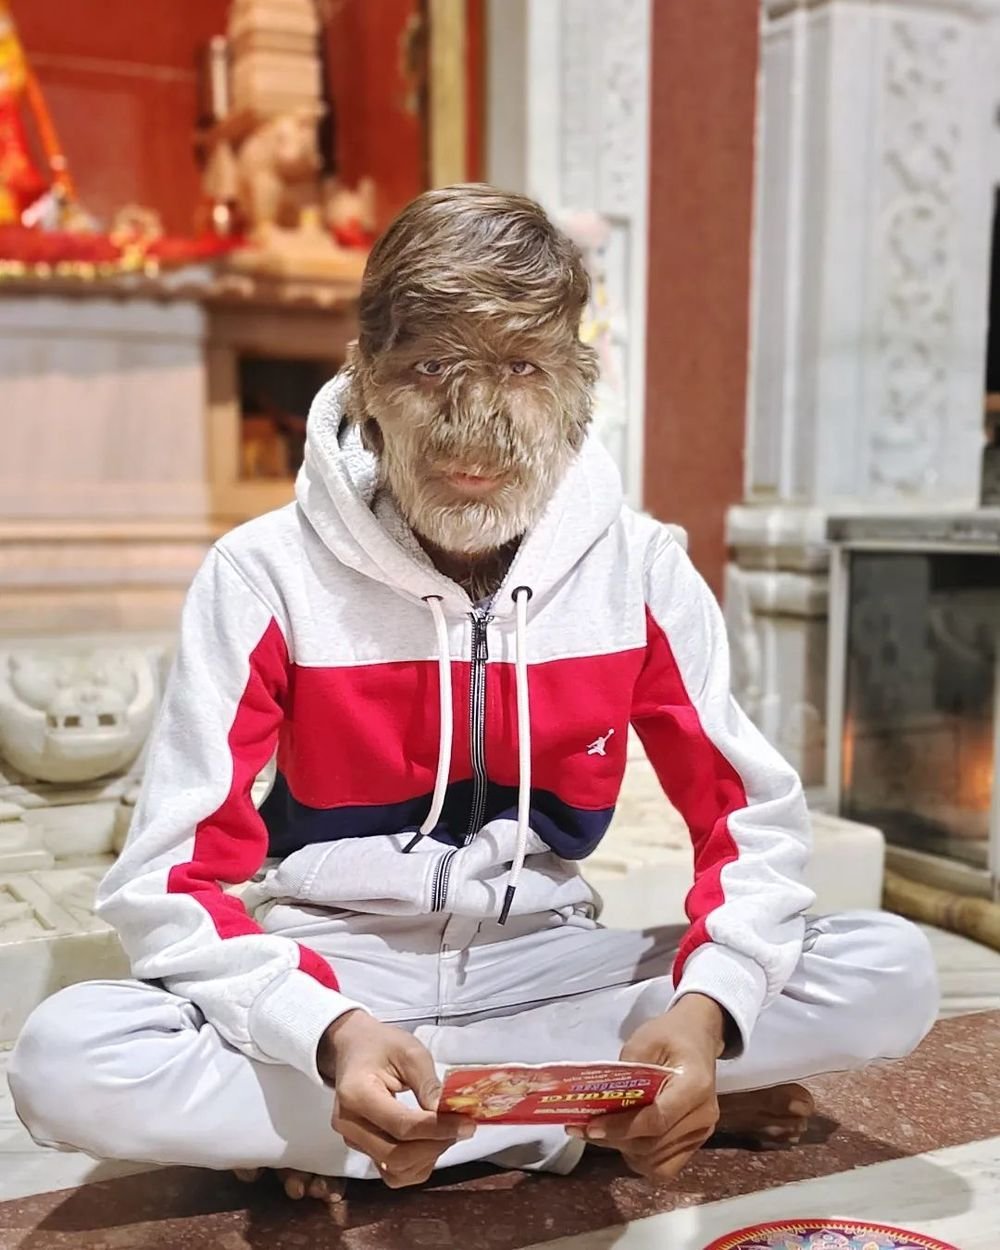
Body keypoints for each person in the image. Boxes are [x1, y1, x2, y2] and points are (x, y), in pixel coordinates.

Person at [10, 185, 938, 1204]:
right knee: (69, 1058)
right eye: (428, 367)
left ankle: (369, 1132)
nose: (472, 431)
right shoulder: (261, 575)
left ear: (577, 383)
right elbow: (168, 882)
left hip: (547, 965)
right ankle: (569, 1116)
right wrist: (326, 1032)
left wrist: (707, 1015)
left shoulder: (641, 570)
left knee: (886, 967)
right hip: (338, 973)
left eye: (522, 367)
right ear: (366, 378)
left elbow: (750, 824)